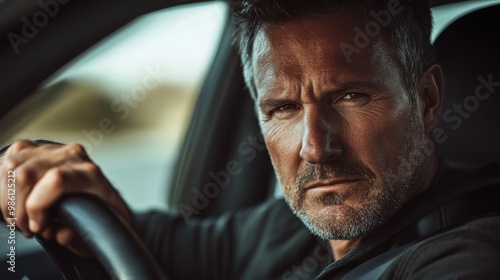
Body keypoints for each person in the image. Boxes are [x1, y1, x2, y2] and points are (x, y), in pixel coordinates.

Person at [1, 0, 500, 279]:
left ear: (428, 100)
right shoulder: (289, 231)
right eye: (282, 109)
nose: (316, 148)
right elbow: (152, 246)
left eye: (350, 97)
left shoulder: (469, 260)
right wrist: (29, 176)